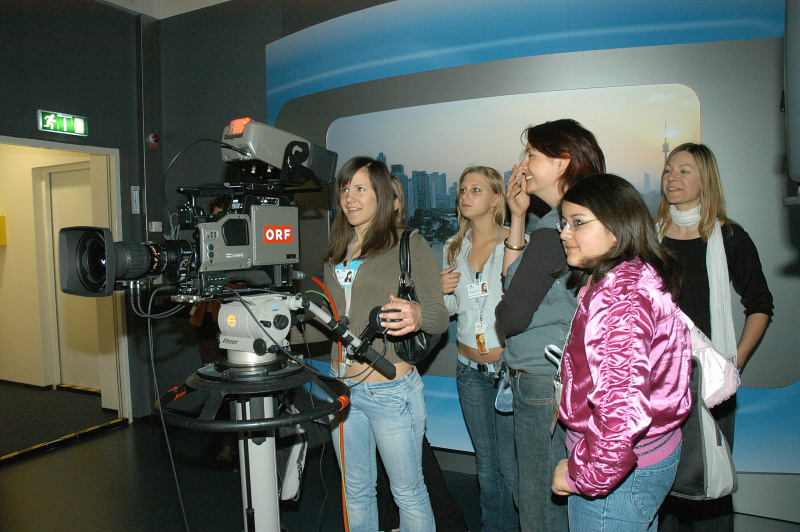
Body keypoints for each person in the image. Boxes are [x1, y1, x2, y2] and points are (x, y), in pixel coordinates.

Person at [551, 173, 693, 531]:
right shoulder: (630, 275)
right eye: (564, 223)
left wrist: (583, 475)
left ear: (617, 226)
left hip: (616, 471)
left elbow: (621, 412)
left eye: (578, 223)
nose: (564, 233)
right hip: (644, 456)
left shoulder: (621, 301)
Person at [323, 156, 449, 532]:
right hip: (341, 387)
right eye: (345, 188)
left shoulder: (407, 242)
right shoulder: (336, 250)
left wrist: (415, 313)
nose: (350, 197)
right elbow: (332, 322)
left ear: (381, 195)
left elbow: (438, 316)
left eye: (360, 188)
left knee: (407, 493)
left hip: (390, 390)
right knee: (357, 491)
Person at [654, 143, 773, 531]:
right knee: (661, 484)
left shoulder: (730, 237)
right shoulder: (648, 238)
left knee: (710, 490)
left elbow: (760, 304)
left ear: (706, 179)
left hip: (710, 383)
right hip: (657, 378)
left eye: (685, 170)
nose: (672, 177)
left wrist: (733, 362)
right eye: (669, 169)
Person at [495, 118, 605, 531]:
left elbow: (511, 312)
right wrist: (518, 217)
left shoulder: (556, 229)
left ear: (562, 164)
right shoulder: (570, 223)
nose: (522, 163)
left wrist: (502, 310)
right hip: (560, 378)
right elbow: (514, 285)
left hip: (541, 381)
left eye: (532, 155)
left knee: (539, 504)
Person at [439, 166, 518, 531]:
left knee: (511, 466)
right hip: (468, 372)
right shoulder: (454, 247)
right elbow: (455, 308)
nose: (465, 196)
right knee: (486, 466)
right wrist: (440, 293)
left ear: (497, 199)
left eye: (476, 189)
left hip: (508, 375)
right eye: (462, 190)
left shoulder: (518, 242)